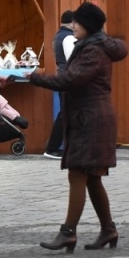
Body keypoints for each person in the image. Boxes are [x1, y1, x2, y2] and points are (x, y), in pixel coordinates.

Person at [30, 1, 127, 250]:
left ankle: (68, 232)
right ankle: (108, 230)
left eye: (77, 22)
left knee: (77, 173)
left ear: (88, 25)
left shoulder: (92, 50)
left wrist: (35, 77)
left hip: (91, 118)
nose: (73, 25)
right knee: (92, 177)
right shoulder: (90, 45)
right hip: (90, 116)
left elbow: (72, 79)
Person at [42, 9, 77, 158]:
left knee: (65, 113)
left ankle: (55, 147)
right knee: (65, 114)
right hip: (68, 78)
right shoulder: (68, 38)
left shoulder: (58, 36)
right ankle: (52, 148)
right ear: (73, 22)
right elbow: (73, 59)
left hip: (61, 76)